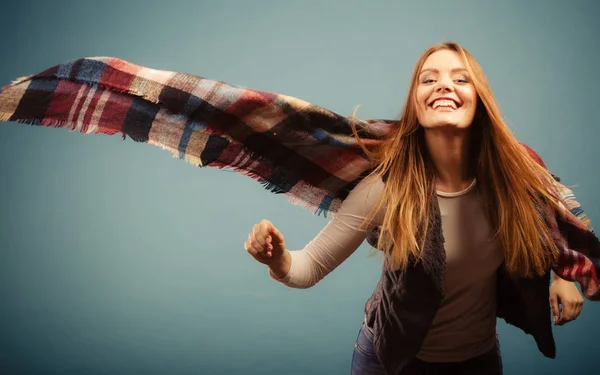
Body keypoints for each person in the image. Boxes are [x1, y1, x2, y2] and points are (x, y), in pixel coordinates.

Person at [243, 42, 587, 375]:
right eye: (429, 78)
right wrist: (278, 259)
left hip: (478, 361)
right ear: (416, 106)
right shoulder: (387, 188)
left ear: (480, 100)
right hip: (390, 360)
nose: (444, 85)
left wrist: (563, 272)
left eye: (460, 78)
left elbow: (557, 225)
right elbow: (310, 267)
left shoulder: (516, 177)